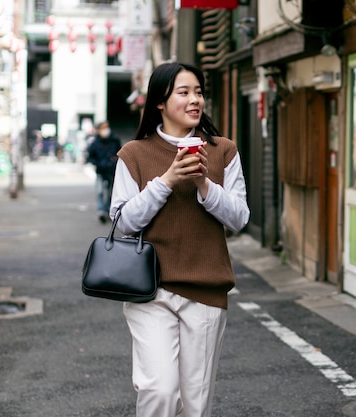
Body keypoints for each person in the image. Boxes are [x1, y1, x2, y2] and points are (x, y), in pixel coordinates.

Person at [109, 62, 250, 417]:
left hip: (206, 291)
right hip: (149, 291)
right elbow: (124, 222)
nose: (195, 100)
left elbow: (239, 219)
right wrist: (167, 180)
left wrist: (204, 184)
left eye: (199, 92)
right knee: (158, 389)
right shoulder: (134, 154)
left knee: (195, 403)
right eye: (184, 92)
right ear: (160, 100)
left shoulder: (222, 151)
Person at [86, 121, 122, 223]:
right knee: (100, 191)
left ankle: (107, 210)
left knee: (111, 192)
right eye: (103, 128)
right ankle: (101, 211)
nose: (106, 130)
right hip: (100, 170)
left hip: (112, 170)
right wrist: (98, 164)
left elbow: (120, 153)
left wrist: (114, 161)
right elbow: (90, 156)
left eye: (107, 127)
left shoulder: (115, 140)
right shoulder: (95, 143)